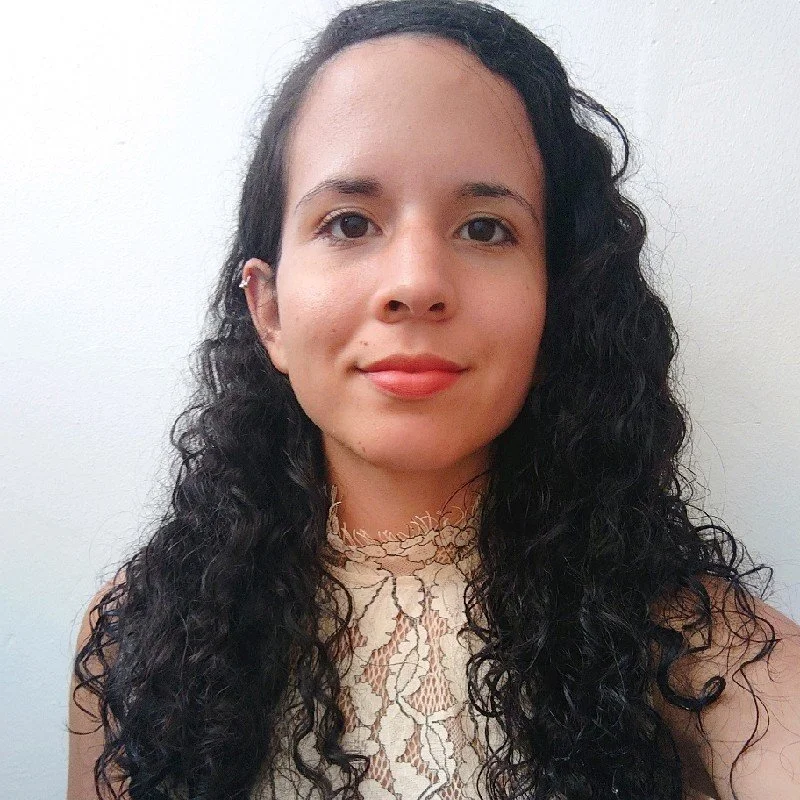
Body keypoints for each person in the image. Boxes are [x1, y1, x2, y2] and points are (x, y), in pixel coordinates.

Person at [67, 1, 800, 799]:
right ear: (268, 311)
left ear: (558, 301)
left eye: (485, 229)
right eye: (350, 222)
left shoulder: (712, 660)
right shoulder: (135, 638)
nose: (416, 283)